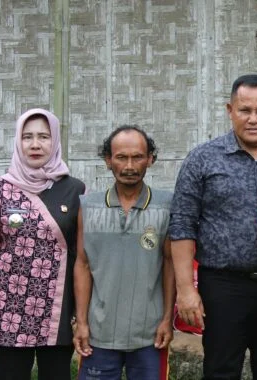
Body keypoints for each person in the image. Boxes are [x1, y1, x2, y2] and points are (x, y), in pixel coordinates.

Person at [169, 74, 257, 379]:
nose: (253, 119)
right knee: (220, 370)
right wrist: (185, 290)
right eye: (244, 110)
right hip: (223, 287)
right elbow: (182, 224)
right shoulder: (203, 159)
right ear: (230, 110)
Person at [0, 109, 85, 380]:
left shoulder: (75, 190)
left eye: (44, 136)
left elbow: (83, 258)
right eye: (27, 137)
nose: (35, 144)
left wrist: (82, 317)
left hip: (58, 313)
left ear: (55, 141)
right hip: (8, 312)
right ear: (18, 141)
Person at [73, 126, 175, 379]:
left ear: (150, 159)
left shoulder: (166, 205)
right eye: (121, 157)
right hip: (99, 333)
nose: (129, 166)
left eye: (137, 157)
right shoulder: (88, 205)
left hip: (150, 334)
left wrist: (167, 320)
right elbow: (83, 265)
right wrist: (82, 323)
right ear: (108, 160)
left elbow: (170, 264)